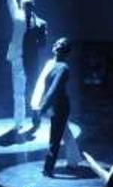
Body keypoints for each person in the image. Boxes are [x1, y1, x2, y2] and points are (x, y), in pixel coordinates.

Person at [31, 37, 81, 176]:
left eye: (62, 44)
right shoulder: (51, 64)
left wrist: (42, 108)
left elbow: (53, 90)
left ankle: (48, 168)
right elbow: (42, 85)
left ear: (66, 51)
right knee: (64, 132)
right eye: (57, 43)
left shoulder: (63, 68)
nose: (58, 45)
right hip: (54, 105)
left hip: (59, 107)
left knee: (55, 138)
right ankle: (74, 160)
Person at [6, 0, 48, 134]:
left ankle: (36, 116)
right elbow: (11, 1)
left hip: (32, 60)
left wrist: (40, 38)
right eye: (23, 5)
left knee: (35, 90)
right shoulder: (17, 16)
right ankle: (18, 122)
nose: (25, 8)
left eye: (28, 5)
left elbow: (43, 44)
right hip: (17, 58)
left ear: (33, 6)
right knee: (18, 92)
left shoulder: (41, 23)